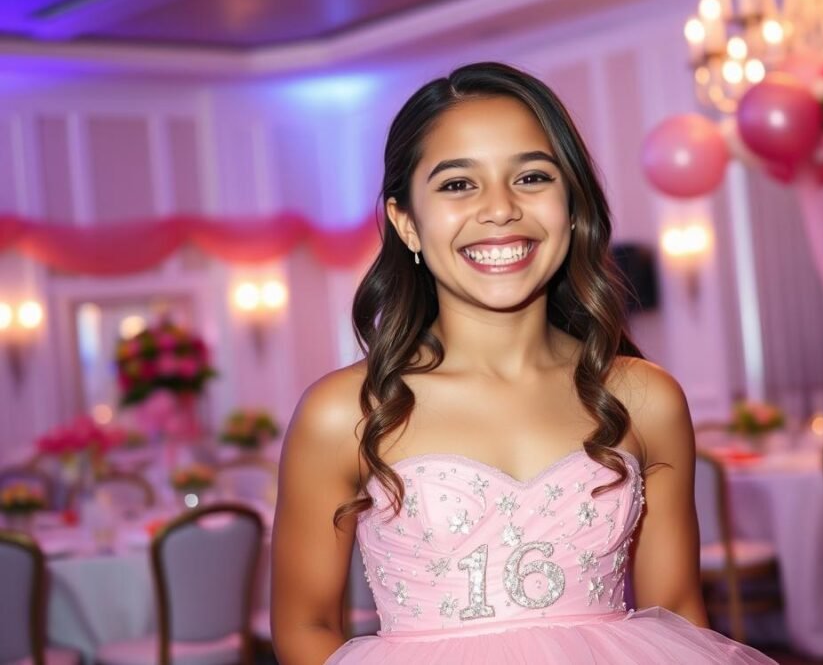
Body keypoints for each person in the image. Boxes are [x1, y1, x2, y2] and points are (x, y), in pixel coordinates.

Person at [271, 62, 776, 664]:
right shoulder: (346, 412)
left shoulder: (645, 398)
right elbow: (304, 627)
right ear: (406, 222)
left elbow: (679, 615)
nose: (500, 209)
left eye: (532, 176)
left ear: (571, 206)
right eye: (458, 184)